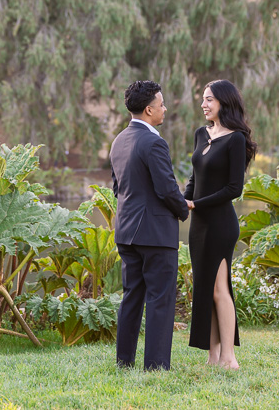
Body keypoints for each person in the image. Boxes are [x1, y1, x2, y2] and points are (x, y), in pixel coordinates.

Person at [110, 80, 190, 371]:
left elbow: (117, 187)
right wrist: (184, 209)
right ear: (148, 109)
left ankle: (125, 362)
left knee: (132, 297)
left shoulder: (119, 140)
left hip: (127, 231)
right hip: (155, 235)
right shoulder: (154, 142)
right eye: (161, 104)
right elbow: (167, 189)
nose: (164, 109)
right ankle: (156, 367)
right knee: (160, 299)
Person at [184, 79, 256, 370]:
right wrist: (181, 202)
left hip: (220, 224)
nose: (204, 104)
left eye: (210, 99)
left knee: (219, 289)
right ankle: (212, 356)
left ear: (225, 102)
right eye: (203, 98)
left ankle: (229, 357)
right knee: (204, 289)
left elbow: (233, 189)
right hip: (199, 225)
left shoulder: (236, 139)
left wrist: (196, 204)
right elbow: (194, 179)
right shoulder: (201, 134)